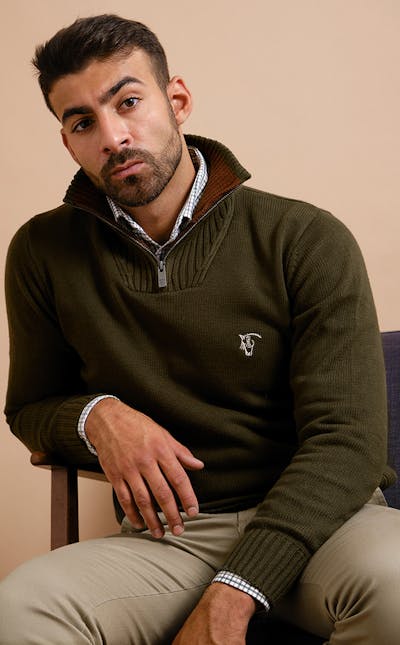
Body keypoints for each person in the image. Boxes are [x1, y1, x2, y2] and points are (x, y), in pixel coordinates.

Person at [1, 13, 399, 645]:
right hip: (169, 541)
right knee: (19, 611)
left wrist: (236, 591)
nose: (113, 136)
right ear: (68, 143)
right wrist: (97, 416)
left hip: (326, 529)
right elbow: (29, 407)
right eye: (82, 122)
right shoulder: (41, 251)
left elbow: (349, 443)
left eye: (128, 102)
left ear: (177, 100)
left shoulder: (305, 237)